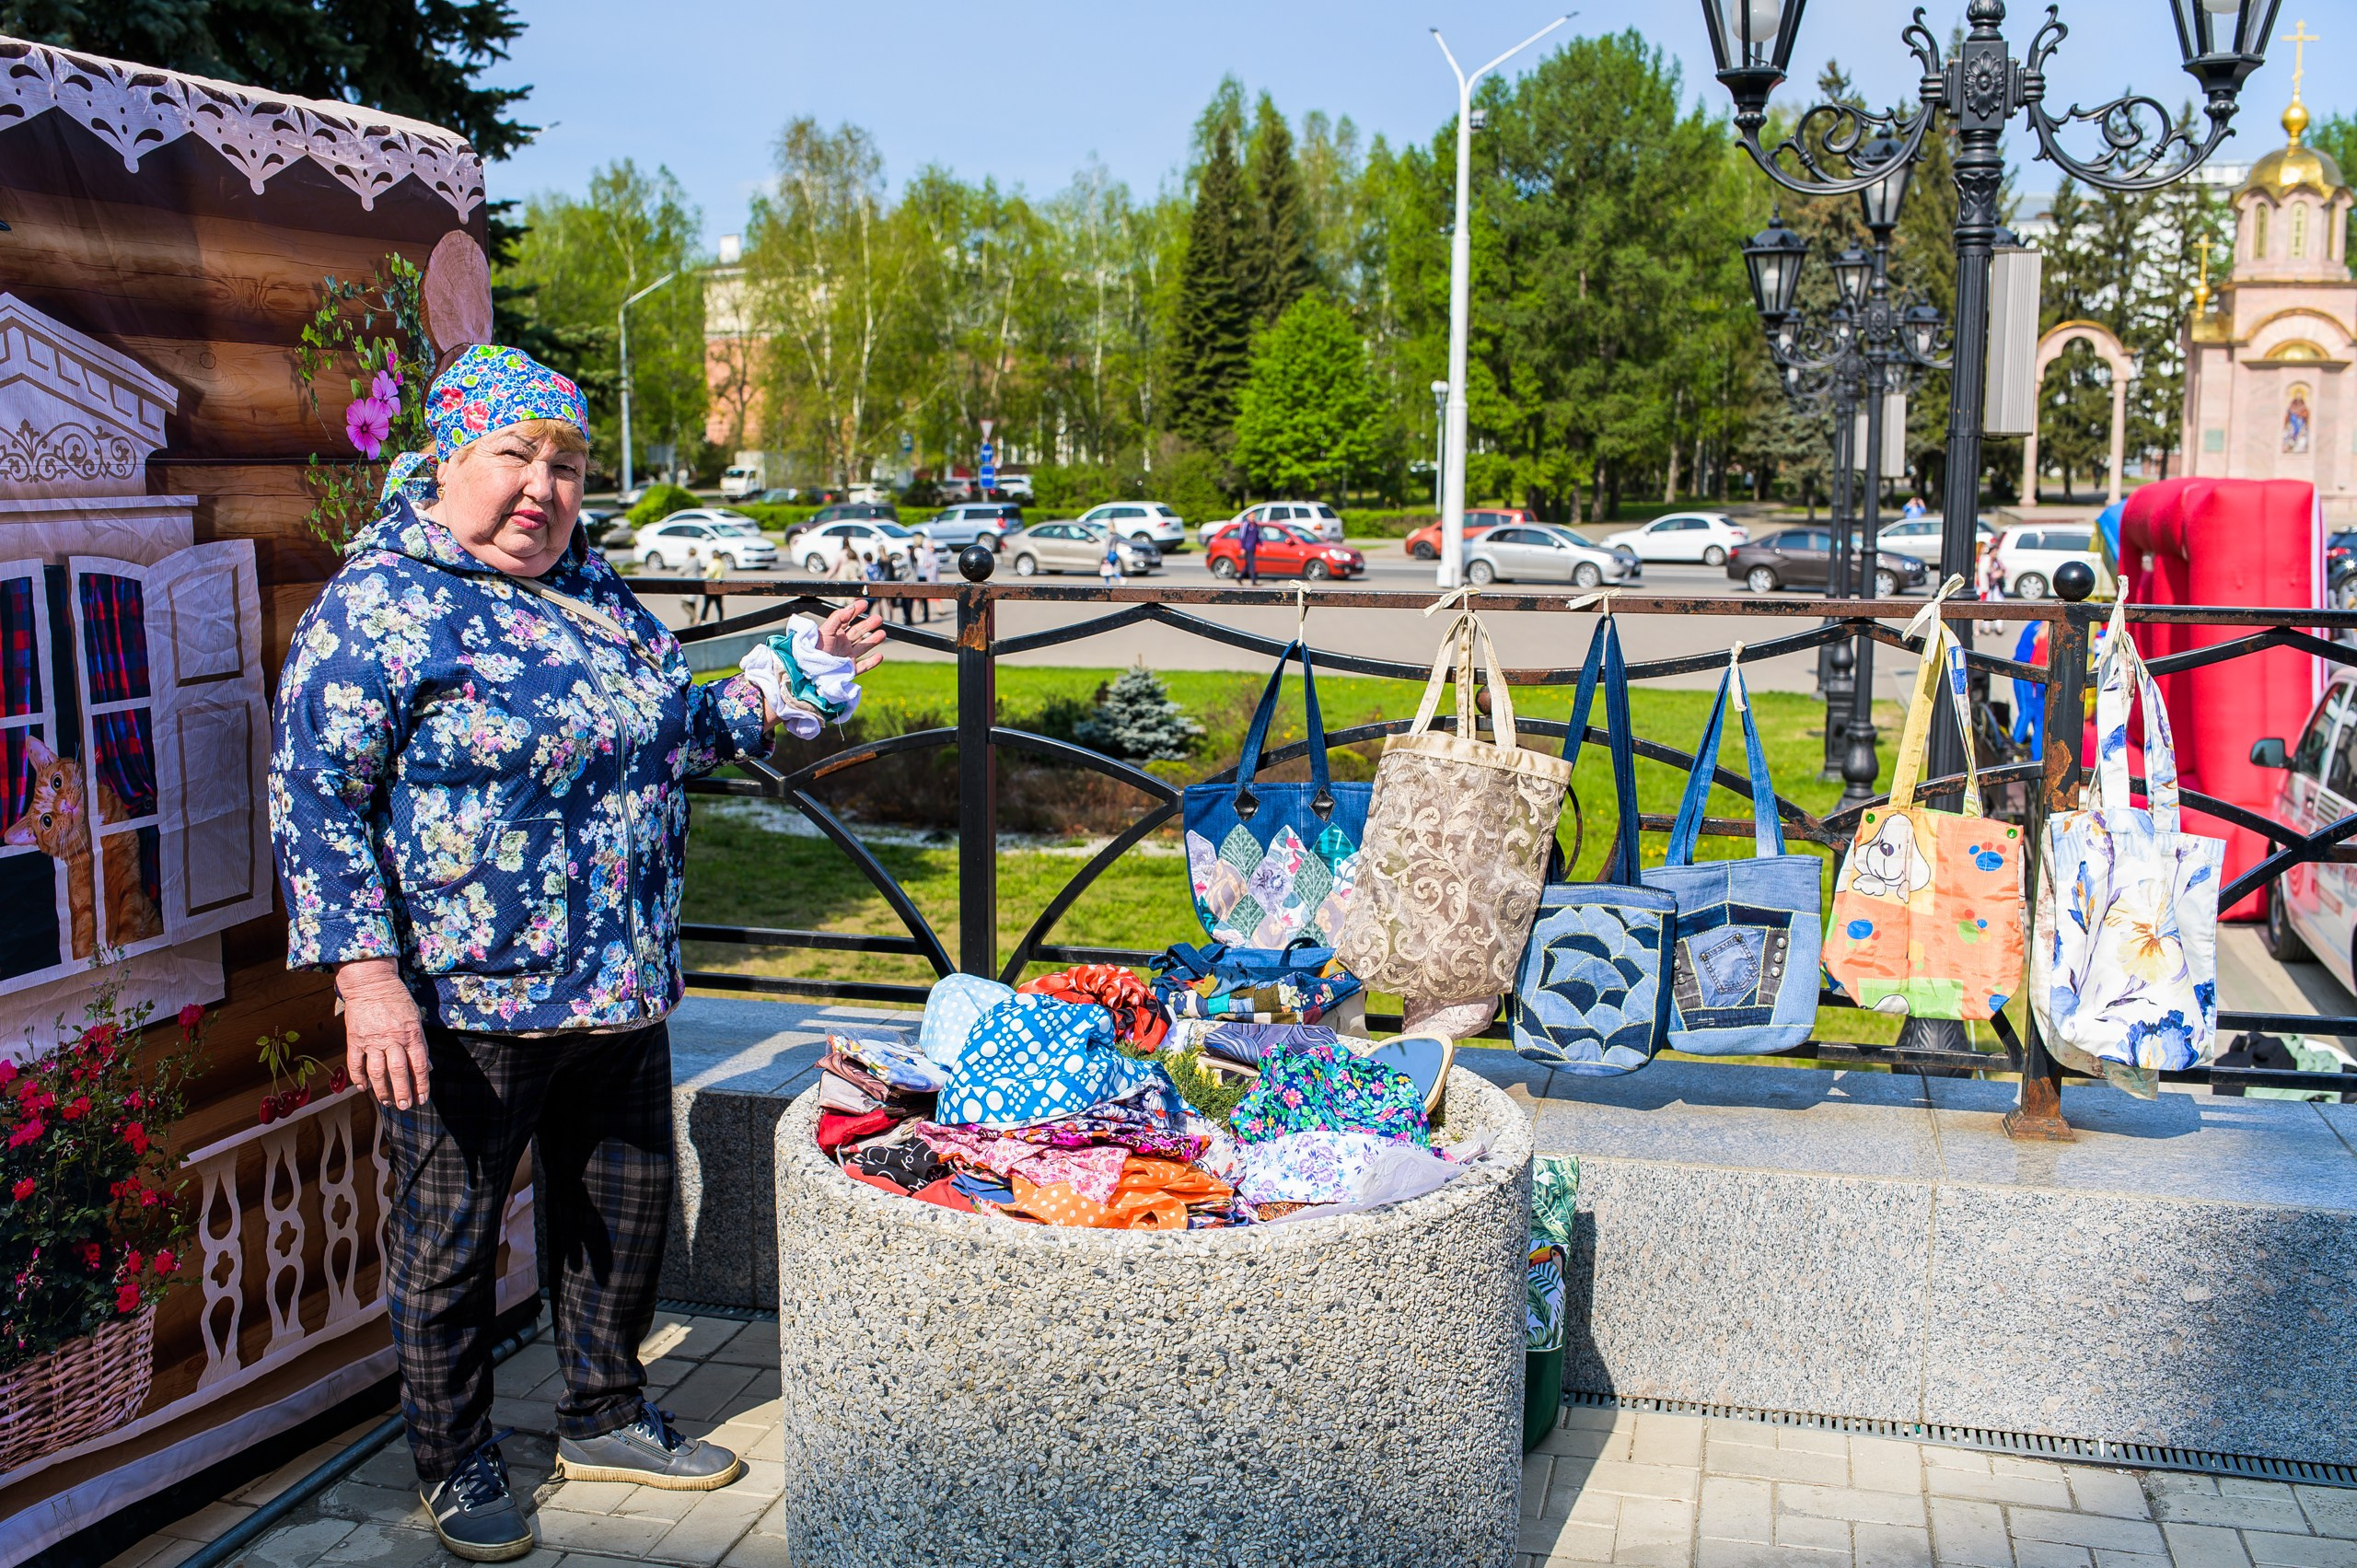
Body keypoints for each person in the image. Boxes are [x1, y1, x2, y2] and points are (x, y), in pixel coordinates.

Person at [270, 345, 887, 1564]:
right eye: (516, 455)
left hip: (617, 981)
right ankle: (454, 1458)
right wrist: (366, 975)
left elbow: (677, 733)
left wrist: (792, 677)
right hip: (466, 999)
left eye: (567, 465)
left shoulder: (595, 592)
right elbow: (317, 795)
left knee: (622, 1207)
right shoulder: (380, 606)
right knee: (447, 1238)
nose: (542, 488)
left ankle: (605, 1411)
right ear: (446, 459)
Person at [913, 534, 940, 623]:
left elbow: (919, 563)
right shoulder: (924, 551)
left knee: (920, 596)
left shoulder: (917, 551)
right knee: (924, 597)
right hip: (924, 575)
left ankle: (921, 612)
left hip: (919, 574)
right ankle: (925, 614)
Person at [697, 546, 727, 624]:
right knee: (719, 606)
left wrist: (703, 580)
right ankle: (721, 620)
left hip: (711, 587)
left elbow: (710, 573)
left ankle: (703, 620)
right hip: (719, 587)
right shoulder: (721, 563)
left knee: (706, 605)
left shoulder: (713, 563)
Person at [1239, 513, 1261, 585]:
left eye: (1254, 517)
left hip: (1253, 547)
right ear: (1248, 517)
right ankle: (1253, 581)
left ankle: (1240, 578)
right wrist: (1242, 548)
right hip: (1247, 547)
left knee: (1248, 564)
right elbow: (1242, 537)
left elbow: (1257, 537)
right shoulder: (1246, 525)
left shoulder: (1255, 525)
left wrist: (1261, 544)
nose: (1253, 518)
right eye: (1251, 517)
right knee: (1251, 564)